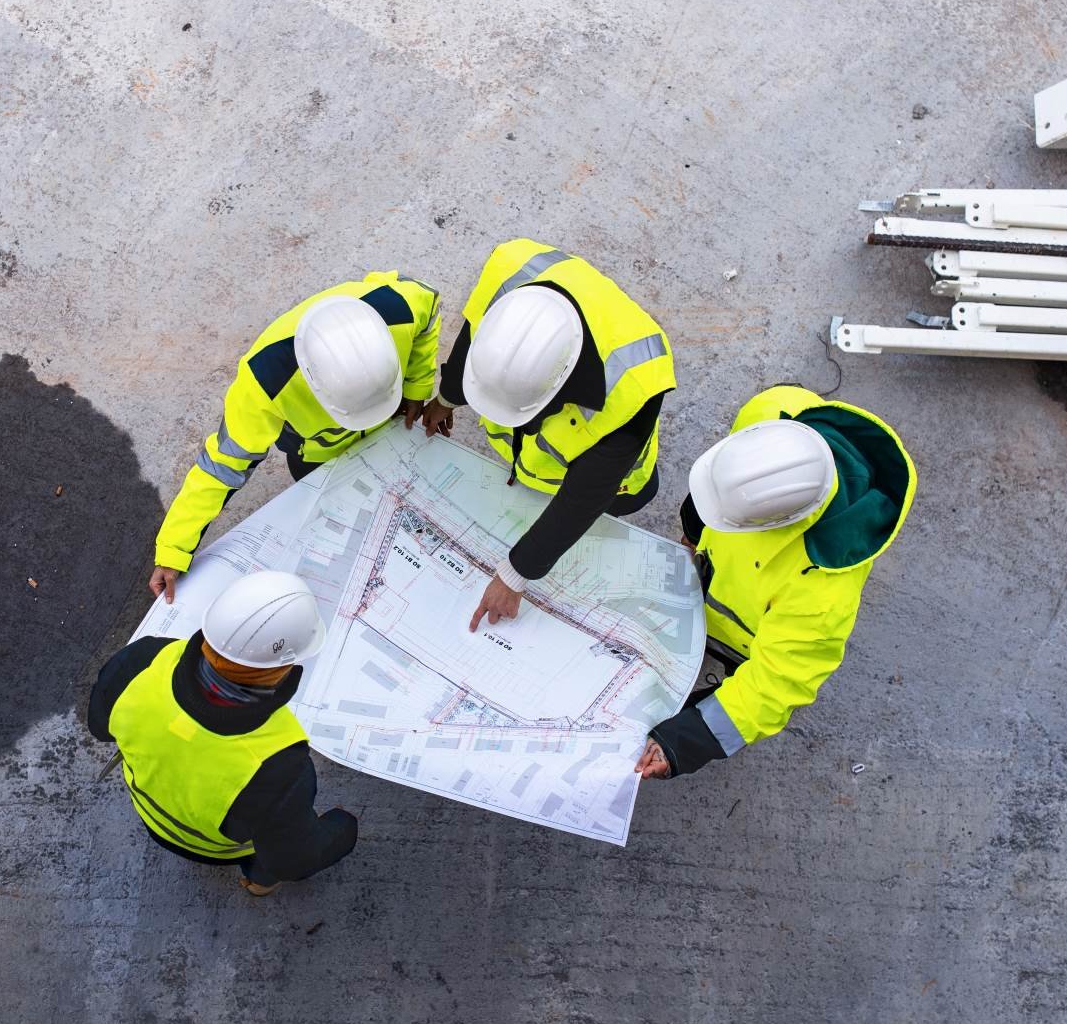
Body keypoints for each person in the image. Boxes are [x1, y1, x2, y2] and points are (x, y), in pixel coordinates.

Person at [635, 385, 916, 780]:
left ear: (778, 524)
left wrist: (686, 741)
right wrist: (694, 530)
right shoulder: (771, 411)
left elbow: (776, 681)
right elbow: (717, 483)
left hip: (742, 643)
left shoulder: (821, 595)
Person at [415, 239, 676, 632]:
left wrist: (514, 575)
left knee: (628, 497)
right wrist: (447, 398)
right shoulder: (510, 272)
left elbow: (585, 495)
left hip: (615, 480)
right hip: (537, 448)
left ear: (564, 386)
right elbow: (474, 342)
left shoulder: (635, 380)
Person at [149, 273, 442, 602]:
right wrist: (173, 549)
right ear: (313, 384)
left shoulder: (398, 308)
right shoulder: (263, 383)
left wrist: (416, 390)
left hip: (388, 423)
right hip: (315, 456)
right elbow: (221, 468)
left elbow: (429, 312)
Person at [89, 571, 356, 896]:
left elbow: (99, 725)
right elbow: (291, 860)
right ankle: (257, 883)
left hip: (148, 813)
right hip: (217, 850)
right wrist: (342, 830)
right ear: (285, 667)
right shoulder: (279, 764)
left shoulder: (141, 662)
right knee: (266, 857)